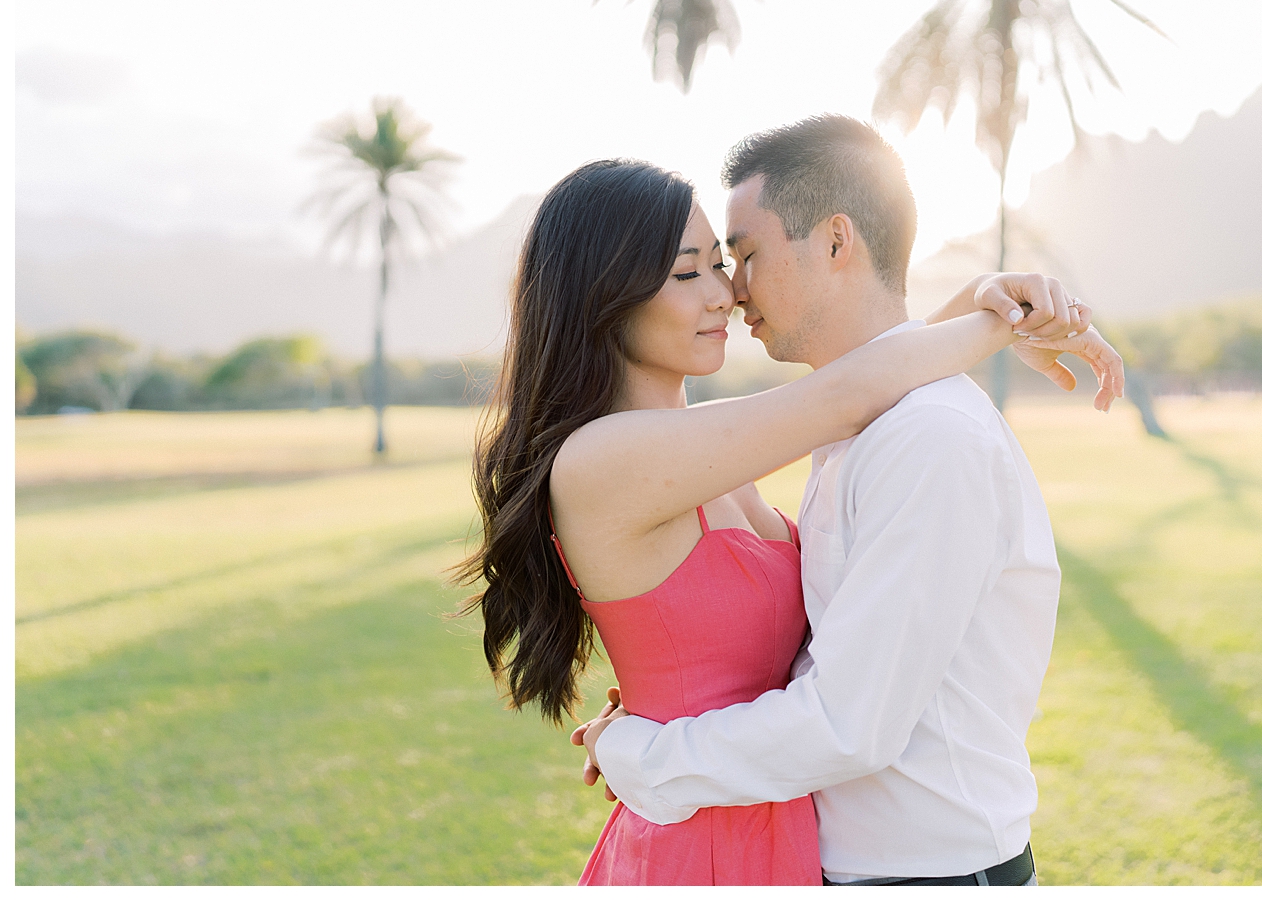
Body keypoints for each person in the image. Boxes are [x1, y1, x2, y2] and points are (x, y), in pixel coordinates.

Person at [451, 146, 1121, 885]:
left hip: (778, 831)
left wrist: (982, 299)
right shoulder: (605, 460)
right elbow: (847, 393)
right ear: (602, 295)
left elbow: (864, 384)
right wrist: (1004, 316)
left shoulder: (730, 448)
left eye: (726, 260)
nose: (726, 293)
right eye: (689, 271)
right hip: (703, 845)